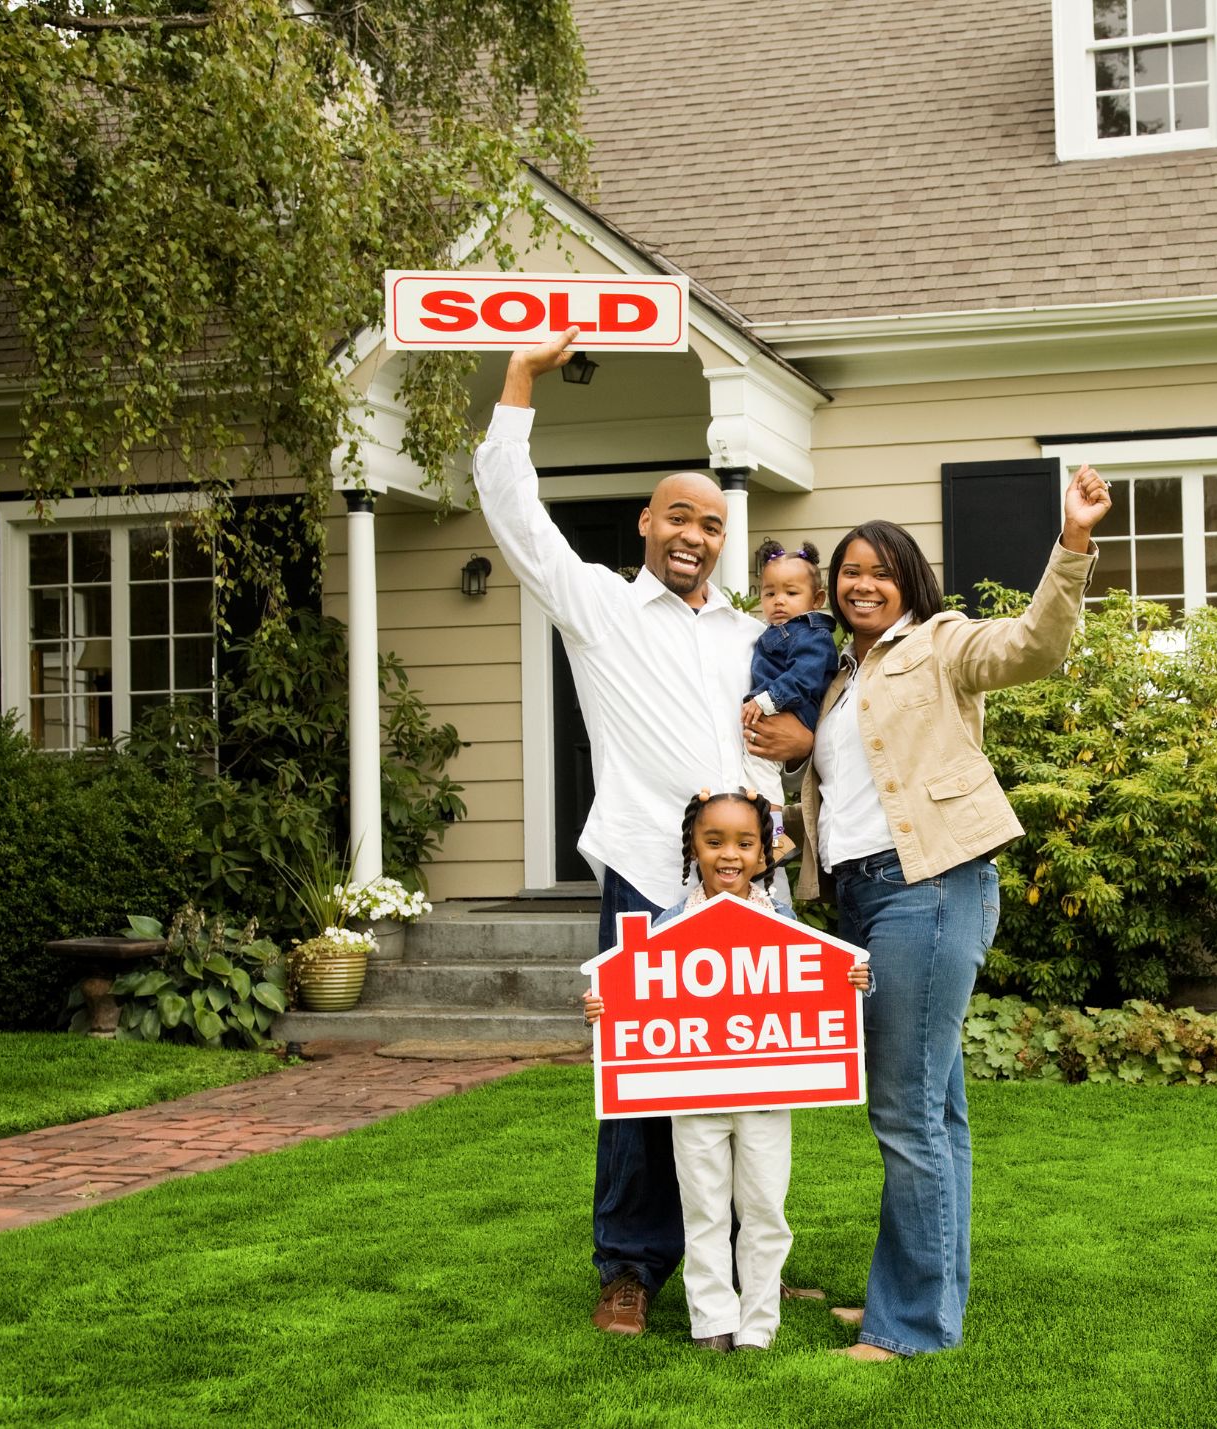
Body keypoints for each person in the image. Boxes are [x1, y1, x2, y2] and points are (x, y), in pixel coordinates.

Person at [472, 330, 817, 1338]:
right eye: (679, 516)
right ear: (645, 522)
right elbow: (513, 512)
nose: (695, 535)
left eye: (711, 523)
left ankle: (750, 1264)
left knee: (756, 1083)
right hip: (645, 876)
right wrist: (521, 379)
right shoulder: (595, 608)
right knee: (642, 1081)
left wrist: (784, 813)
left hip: (754, 886)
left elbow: (775, 748)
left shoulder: (754, 634)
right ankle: (630, 1263)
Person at [796, 472, 1111, 1361]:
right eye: (849, 571)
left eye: (881, 570)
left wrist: (1072, 544)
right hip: (861, 894)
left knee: (904, 1112)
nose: (861, 582)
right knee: (935, 1111)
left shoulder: (940, 643)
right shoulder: (837, 676)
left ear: (911, 581)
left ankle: (913, 1324)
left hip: (929, 883)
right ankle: (921, 1290)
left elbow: (1032, 646)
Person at [584, 789, 872, 1353]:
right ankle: (711, 1322)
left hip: (767, 1100)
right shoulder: (668, 926)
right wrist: (604, 1008)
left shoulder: (785, 925)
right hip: (693, 1101)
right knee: (704, 1211)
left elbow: (821, 993)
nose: (729, 855)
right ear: (693, 848)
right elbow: (635, 997)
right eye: (713, 841)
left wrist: (853, 985)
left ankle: (759, 1325)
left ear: (766, 854)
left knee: (765, 1210)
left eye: (745, 842)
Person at [739, 540, 840, 861]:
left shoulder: (811, 635)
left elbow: (805, 678)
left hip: (793, 713)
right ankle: (765, 832)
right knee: (754, 772)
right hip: (780, 710)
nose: (778, 601)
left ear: (817, 599)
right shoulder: (776, 631)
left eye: (791, 593)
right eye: (769, 593)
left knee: (760, 768)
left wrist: (766, 701)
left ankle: (777, 837)